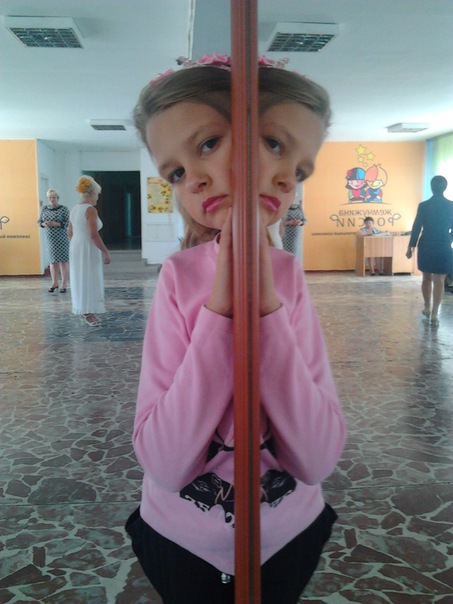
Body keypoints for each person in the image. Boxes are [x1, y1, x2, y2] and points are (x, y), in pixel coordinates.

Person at [125, 54, 347, 604]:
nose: (286, 177)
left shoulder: (289, 278)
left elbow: (316, 457)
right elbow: (166, 463)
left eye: (298, 166)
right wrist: (220, 308)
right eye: (177, 171)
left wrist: (267, 304)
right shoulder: (179, 278)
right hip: (182, 541)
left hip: (291, 535)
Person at [406, 175, 453, 326]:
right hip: (444, 244)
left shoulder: (424, 206)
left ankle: (427, 307)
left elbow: (416, 227)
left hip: (426, 243)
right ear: (445, 188)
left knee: (426, 277)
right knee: (440, 279)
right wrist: (449, 238)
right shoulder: (451, 206)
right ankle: (434, 313)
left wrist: (411, 246)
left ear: (431, 188)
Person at [68, 176, 111, 327]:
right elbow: (93, 235)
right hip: (87, 246)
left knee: (79, 278)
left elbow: (70, 233)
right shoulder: (90, 210)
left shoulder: (74, 208)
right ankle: (87, 312)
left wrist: (76, 245)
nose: (98, 198)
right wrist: (105, 252)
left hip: (76, 245)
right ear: (92, 194)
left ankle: (84, 309)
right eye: (97, 195)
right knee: (89, 277)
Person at [37, 189, 70, 292]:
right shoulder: (44, 209)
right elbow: (39, 222)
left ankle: (64, 284)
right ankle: (54, 282)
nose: (52, 199)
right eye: (50, 197)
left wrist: (56, 224)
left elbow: (68, 222)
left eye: (54, 197)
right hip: (50, 238)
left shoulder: (63, 209)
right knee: (53, 260)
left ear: (57, 198)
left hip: (62, 237)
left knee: (63, 260)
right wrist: (44, 224)